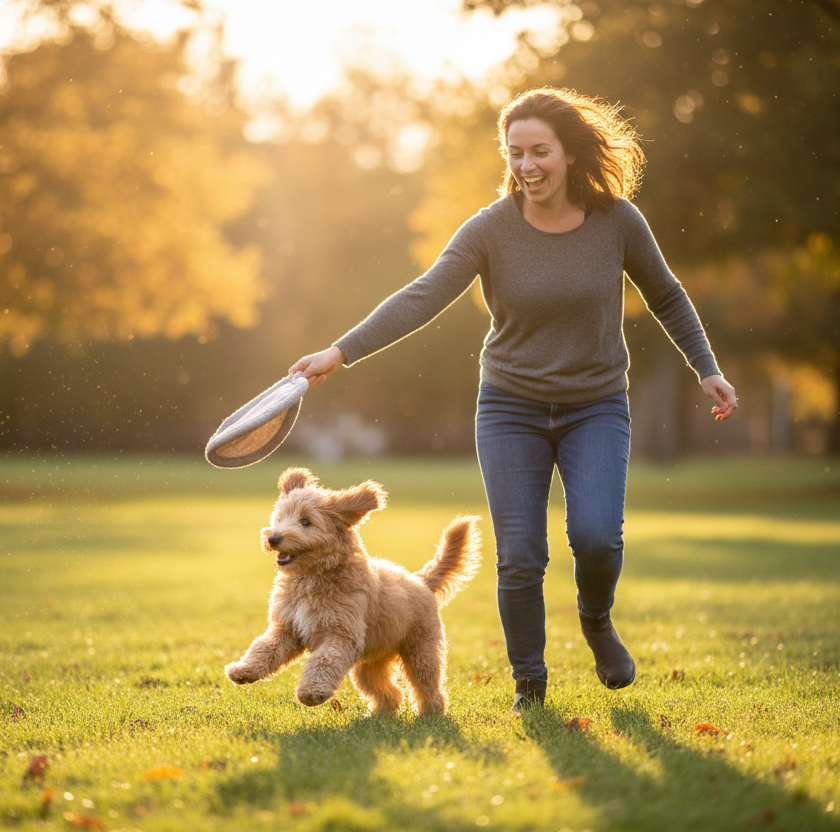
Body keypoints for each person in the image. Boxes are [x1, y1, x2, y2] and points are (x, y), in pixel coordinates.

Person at [289, 87, 737, 710]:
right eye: (515, 152)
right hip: (510, 407)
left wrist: (706, 367)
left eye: (540, 152)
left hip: (595, 405)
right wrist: (340, 351)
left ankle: (596, 618)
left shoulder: (618, 221)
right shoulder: (490, 229)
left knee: (598, 537)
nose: (527, 165)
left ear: (571, 153)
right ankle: (531, 683)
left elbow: (667, 294)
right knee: (521, 552)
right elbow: (422, 296)